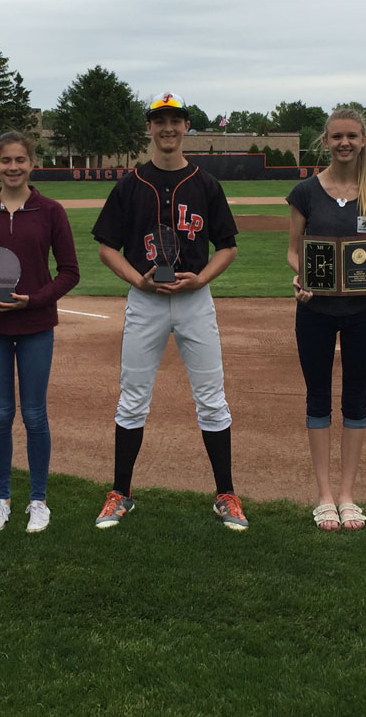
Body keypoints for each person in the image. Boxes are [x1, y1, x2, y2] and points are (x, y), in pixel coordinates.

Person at [91, 92, 247, 531]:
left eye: (175, 121)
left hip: (195, 300)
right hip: (146, 301)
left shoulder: (205, 183)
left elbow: (228, 247)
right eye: (160, 122)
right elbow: (107, 247)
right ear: (150, 129)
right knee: (133, 398)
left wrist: (203, 279)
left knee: (212, 399)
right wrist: (136, 280)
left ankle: (226, 495)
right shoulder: (129, 184)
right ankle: (120, 493)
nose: (167, 129)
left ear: (185, 128)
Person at [0, 132, 80, 533]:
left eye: (20, 160)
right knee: (0, 415)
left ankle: (38, 500)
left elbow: (70, 272)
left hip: (35, 326)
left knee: (34, 414)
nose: (13, 167)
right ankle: (2, 499)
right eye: (6, 161)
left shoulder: (51, 211)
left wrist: (35, 300)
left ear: (32, 163)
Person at [286, 109, 366, 531]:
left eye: (352, 135)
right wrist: (299, 275)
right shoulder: (305, 192)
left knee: (355, 398)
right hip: (314, 308)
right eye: (336, 136)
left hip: (363, 310)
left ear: (364, 139)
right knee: (317, 397)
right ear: (326, 141)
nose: (344, 142)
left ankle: (348, 494)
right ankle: (324, 496)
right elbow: (294, 249)